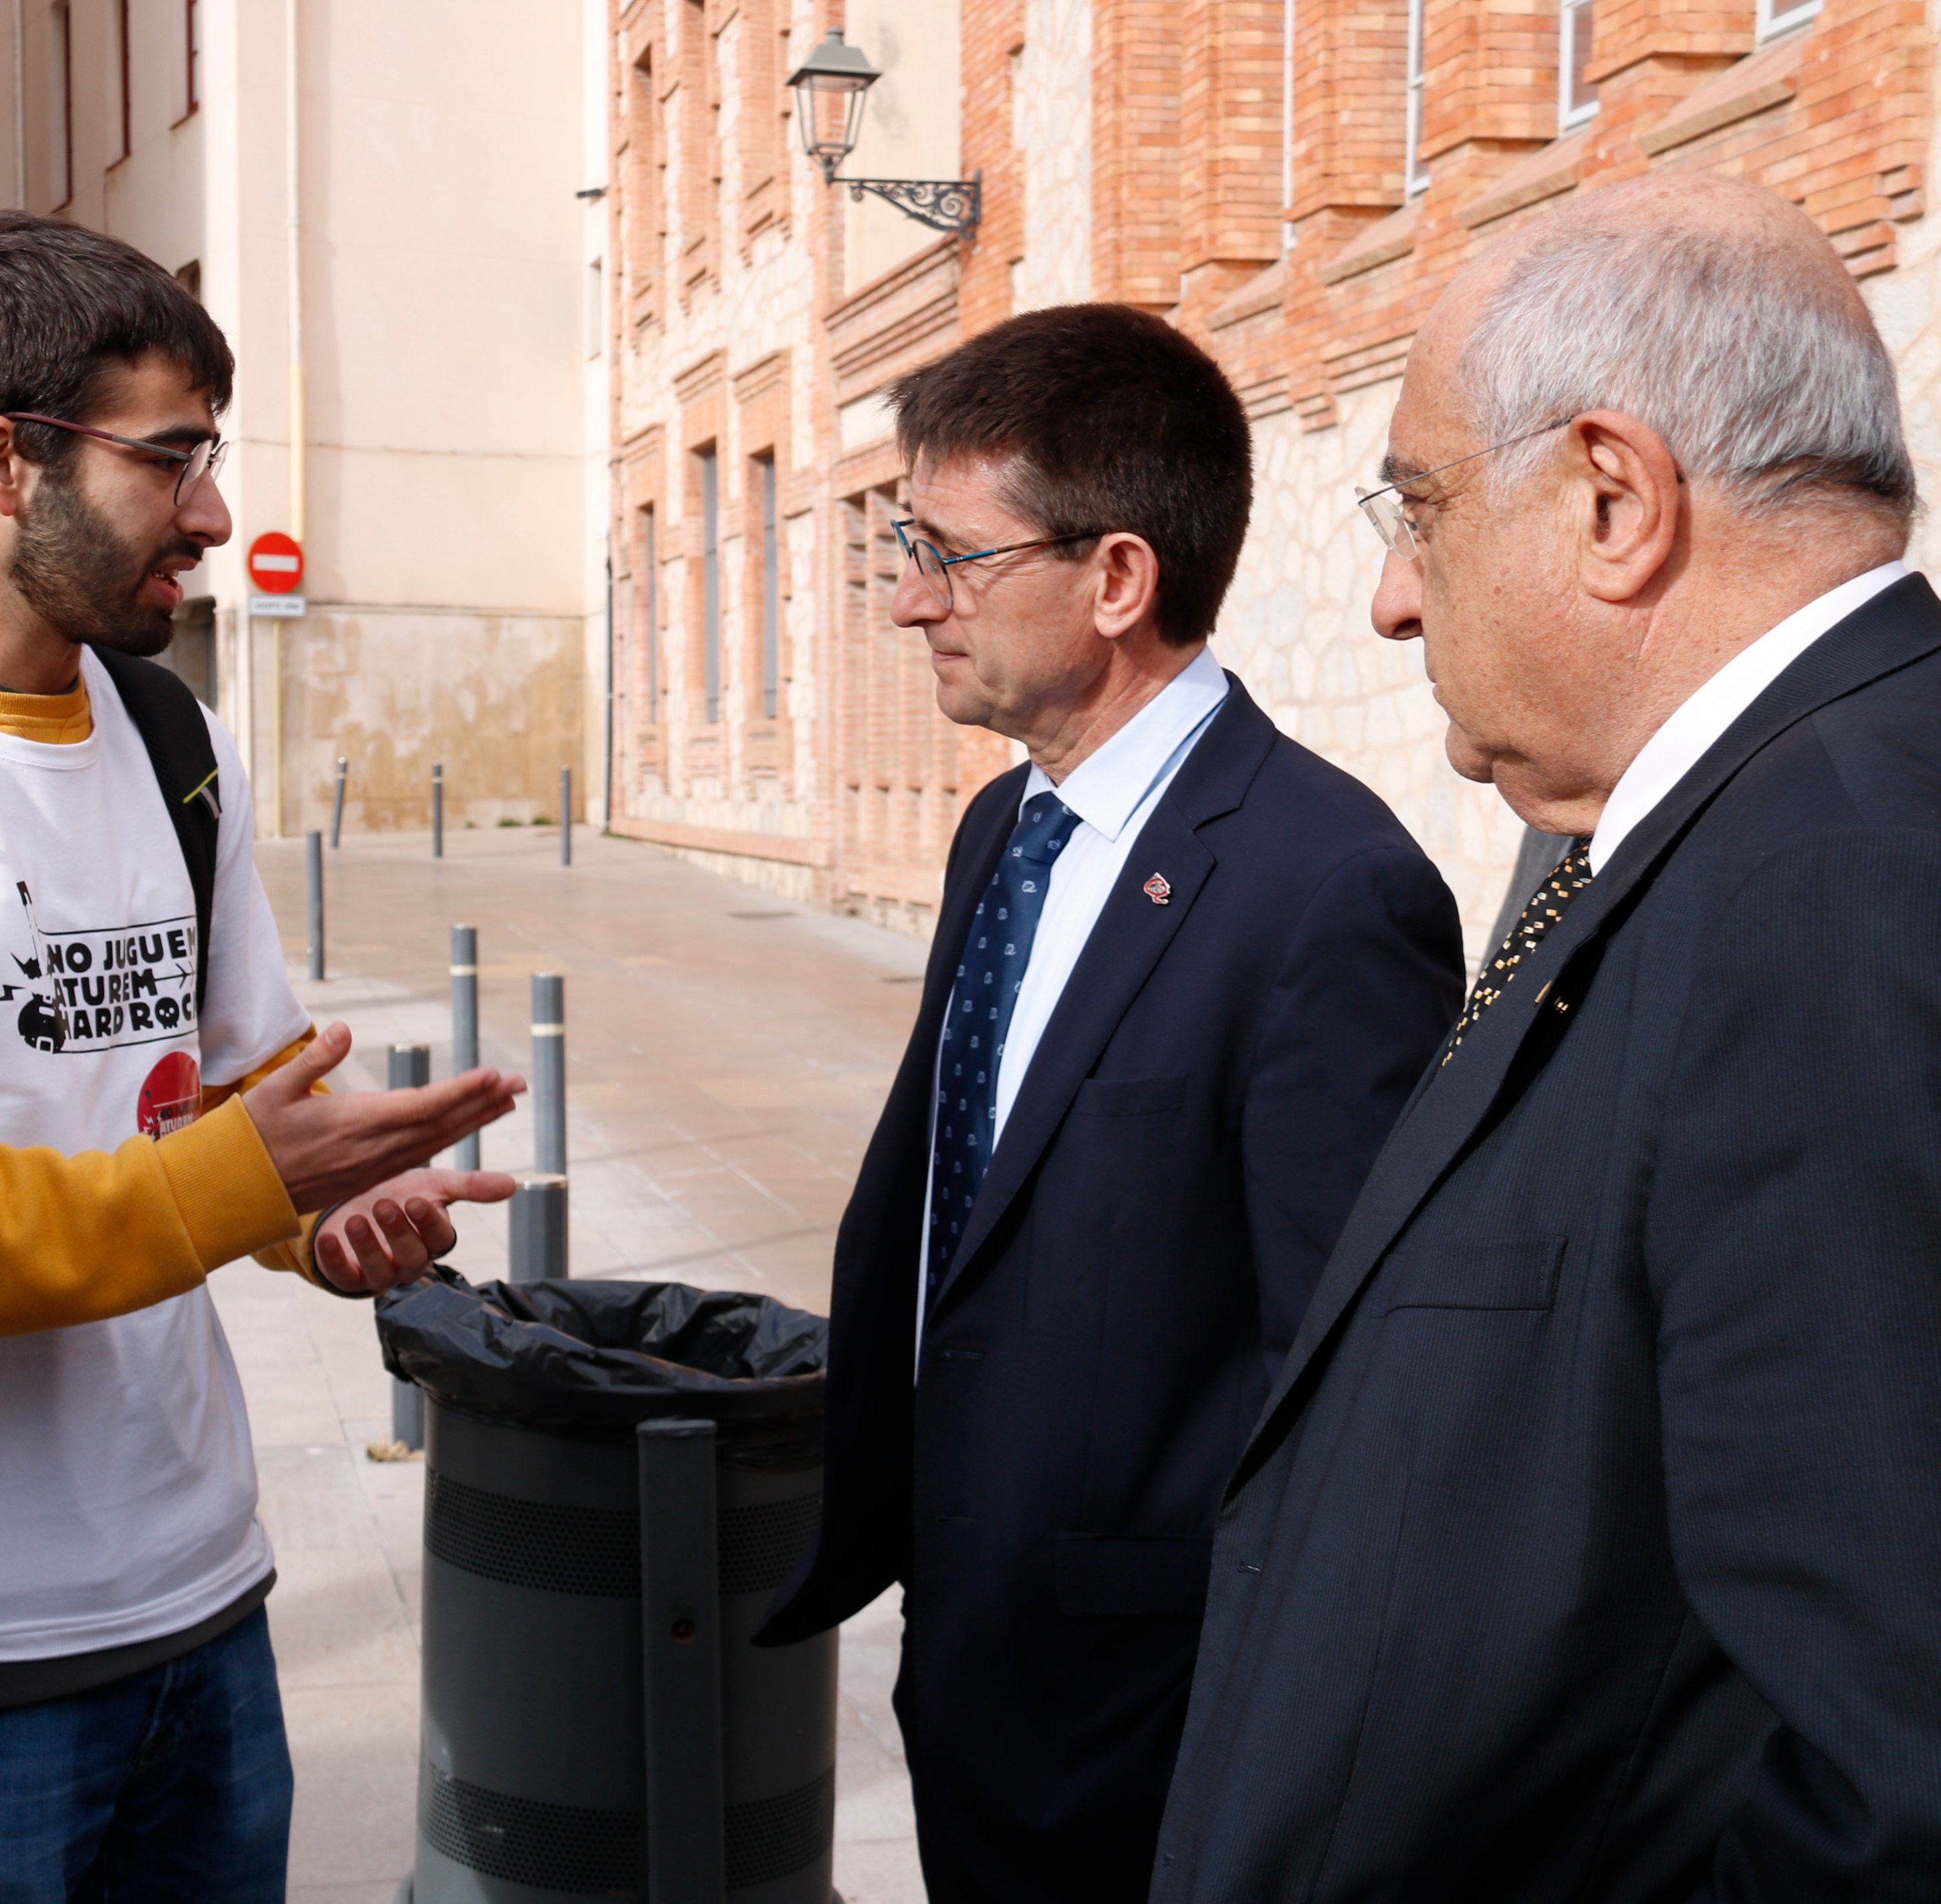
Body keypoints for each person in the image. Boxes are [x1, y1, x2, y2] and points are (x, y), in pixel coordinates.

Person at [0, 211, 518, 1903]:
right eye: (174, 459)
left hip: (200, 1597)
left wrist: (332, 1214)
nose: (214, 514)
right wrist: (234, 1181)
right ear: (2, 462)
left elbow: (231, 1104)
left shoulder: (169, 733)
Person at [1151, 172, 1941, 1902]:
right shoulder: (1721, 827)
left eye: (1418, 510)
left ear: (1610, 500)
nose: (1389, 600)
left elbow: (1892, 1787)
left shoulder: (1845, 882)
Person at [755, 304, 1463, 1902]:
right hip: (973, 1646)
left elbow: (1343, 1392)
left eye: (948, 553)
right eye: (900, 542)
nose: (907, 600)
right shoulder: (1003, 827)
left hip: (1152, 1726)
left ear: (1118, 576)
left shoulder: (1327, 892)